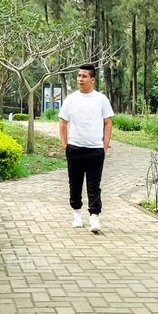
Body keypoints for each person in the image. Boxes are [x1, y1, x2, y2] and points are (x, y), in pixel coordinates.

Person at [59, 64, 114, 232]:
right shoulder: (71, 99)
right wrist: (65, 144)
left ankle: (94, 217)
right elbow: (63, 122)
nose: (80, 79)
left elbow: (108, 122)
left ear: (92, 79)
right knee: (74, 184)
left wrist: (104, 146)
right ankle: (76, 214)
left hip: (95, 149)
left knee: (94, 184)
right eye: (78, 76)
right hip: (74, 148)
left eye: (83, 76)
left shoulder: (101, 99)